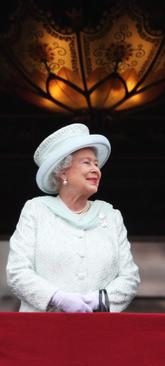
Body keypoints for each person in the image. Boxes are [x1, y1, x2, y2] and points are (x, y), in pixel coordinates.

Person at [6, 123, 140, 312]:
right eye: (86, 162)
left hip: (98, 328)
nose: (96, 169)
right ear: (63, 172)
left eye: (96, 163)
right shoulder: (36, 210)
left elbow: (130, 277)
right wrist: (57, 298)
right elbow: (17, 272)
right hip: (43, 329)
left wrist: (98, 300)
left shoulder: (111, 216)